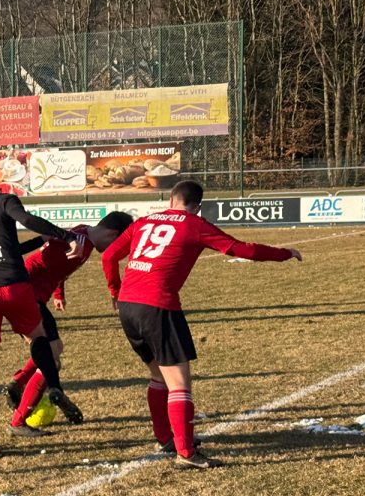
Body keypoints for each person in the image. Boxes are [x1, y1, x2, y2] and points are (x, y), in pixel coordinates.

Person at [101, 180, 302, 469]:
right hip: (158, 306)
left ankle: (165, 438)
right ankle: (186, 452)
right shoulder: (194, 223)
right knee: (180, 384)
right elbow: (240, 249)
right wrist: (283, 253)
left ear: (171, 200)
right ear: (197, 206)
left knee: (158, 376)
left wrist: (114, 292)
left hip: (128, 306)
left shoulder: (143, 221)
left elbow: (109, 256)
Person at [0, 178, 86, 458]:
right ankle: (53, 385)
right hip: (14, 283)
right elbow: (26, 219)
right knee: (38, 338)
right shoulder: (3, 200)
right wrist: (65, 235)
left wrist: (40, 240)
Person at [4, 212, 135, 436]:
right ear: (113, 233)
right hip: (25, 294)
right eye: (118, 243)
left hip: (30, 295)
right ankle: (18, 421)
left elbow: (58, 268)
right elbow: (46, 241)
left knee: (54, 350)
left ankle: (19, 382)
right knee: (50, 361)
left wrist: (57, 292)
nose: (117, 250)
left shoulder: (83, 234)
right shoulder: (81, 243)